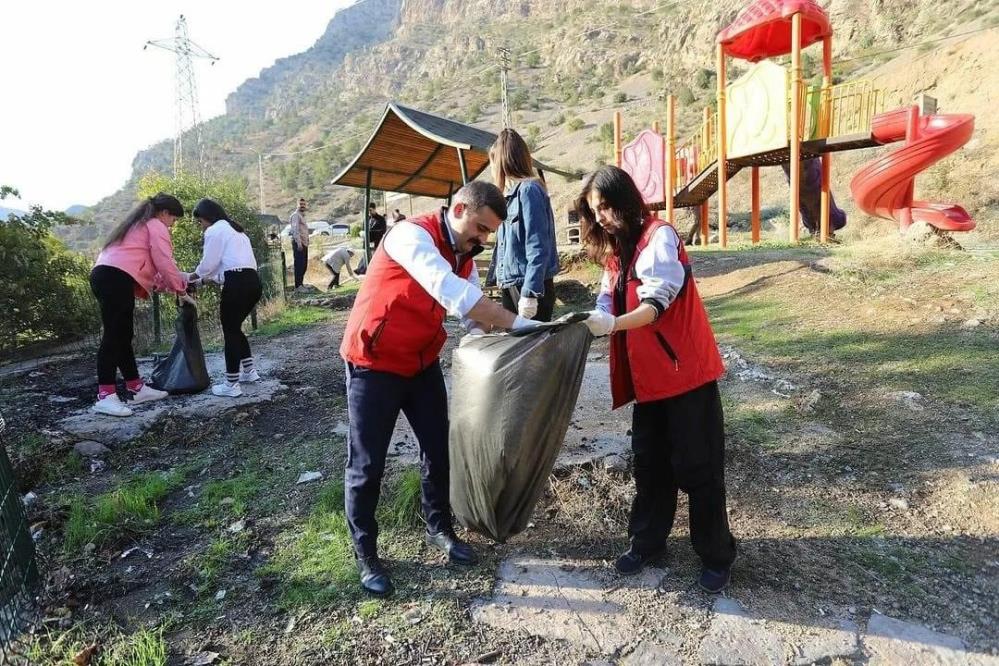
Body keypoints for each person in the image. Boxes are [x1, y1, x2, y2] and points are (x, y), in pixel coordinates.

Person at [340, 181, 534, 597]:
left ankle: (439, 528)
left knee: (438, 450)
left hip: (420, 363)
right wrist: (518, 323)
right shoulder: (411, 235)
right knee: (367, 463)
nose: (482, 239)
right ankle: (366, 553)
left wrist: (498, 332)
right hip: (373, 361)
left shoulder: (467, 256)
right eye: (480, 228)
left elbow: (471, 314)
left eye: (488, 233)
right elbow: (451, 292)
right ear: (460, 207)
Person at [577, 166, 737, 594]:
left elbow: (655, 305)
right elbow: (605, 299)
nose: (604, 218)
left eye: (608, 207)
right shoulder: (617, 253)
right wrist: (587, 322)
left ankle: (717, 555)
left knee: (698, 466)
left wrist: (611, 325)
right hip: (650, 381)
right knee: (649, 465)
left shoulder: (659, 238)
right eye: (597, 212)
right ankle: (647, 542)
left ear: (627, 199)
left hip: (686, 375)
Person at [89, 193, 194, 417]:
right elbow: (164, 261)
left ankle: (135, 388)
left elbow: (153, 272)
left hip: (110, 276)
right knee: (113, 336)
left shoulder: (137, 225)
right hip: (114, 277)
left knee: (123, 335)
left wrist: (175, 285)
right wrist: (181, 291)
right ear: (165, 213)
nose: (172, 225)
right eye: (173, 220)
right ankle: (105, 396)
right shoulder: (155, 225)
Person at [188, 198, 262, 398]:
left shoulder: (214, 231)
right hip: (253, 282)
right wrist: (202, 280)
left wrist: (191, 277)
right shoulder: (236, 230)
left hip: (236, 284)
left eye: (200, 222)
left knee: (230, 332)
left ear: (206, 217)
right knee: (235, 328)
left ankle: (231, 384)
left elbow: (208, 265)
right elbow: (224, 269)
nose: (201, 227)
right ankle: (249, 372)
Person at [488, 128, 560, 322]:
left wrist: (529, 293)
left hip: (527, 287)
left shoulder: (529, 191)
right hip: (512, 285)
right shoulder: (510, 196)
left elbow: (538, 245)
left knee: (531, 349)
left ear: (502, 161)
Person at [289, 198, 309, 289]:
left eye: (304, 204)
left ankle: (301, 284)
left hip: (304, 244)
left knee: (304, 265)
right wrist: (299, 244)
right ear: (297, 204)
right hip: (299, 244)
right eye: (301, 204)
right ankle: (298, 286)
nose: (302, 206)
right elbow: (295, 230)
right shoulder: (295, 215)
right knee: (299, 265)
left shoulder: (302, 216)